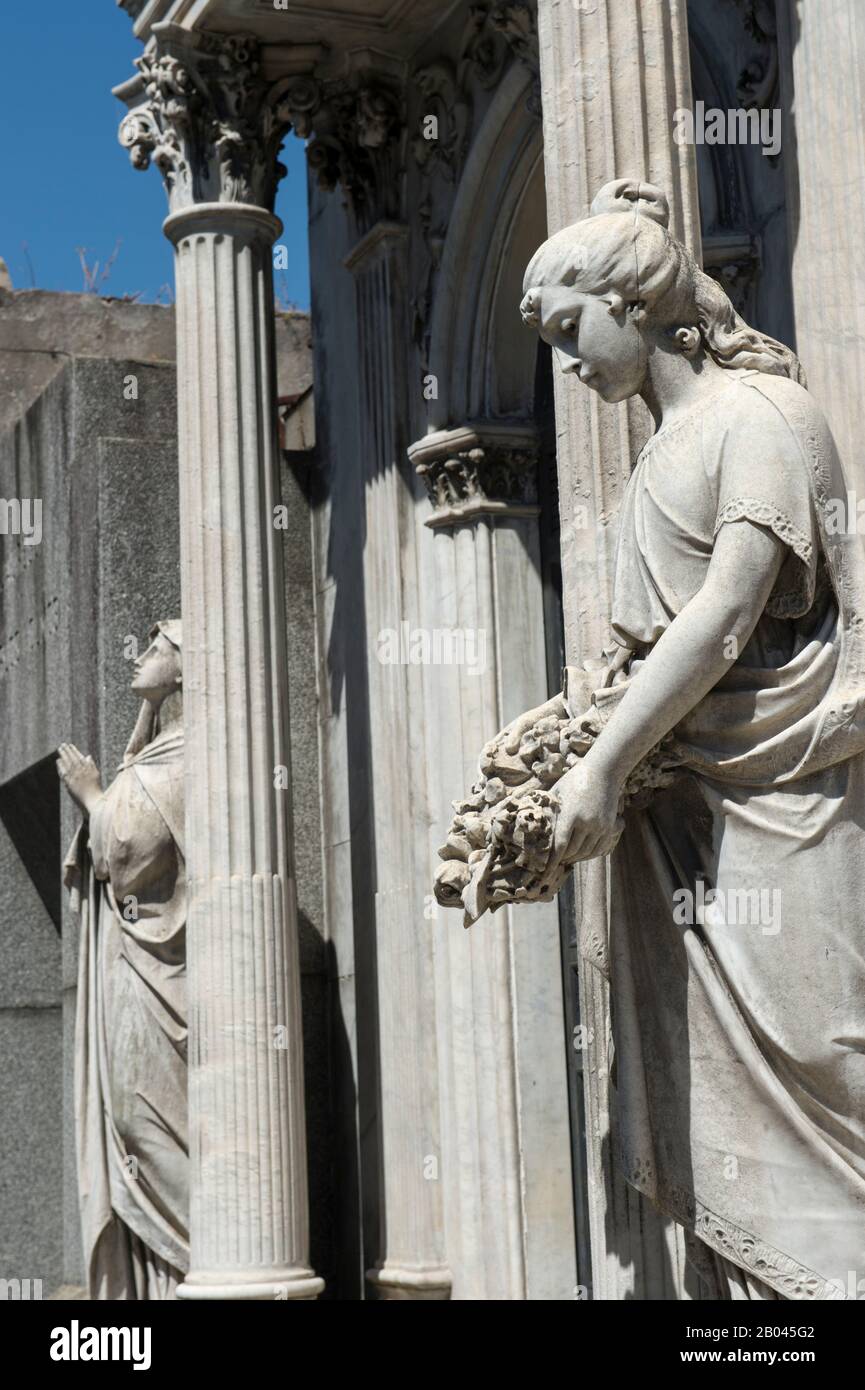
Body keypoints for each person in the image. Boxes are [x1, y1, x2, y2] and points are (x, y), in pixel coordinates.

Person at [514, 178, 865, 1299]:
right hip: (680, 817)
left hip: (779, 787)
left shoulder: (759, 416)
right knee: (696, 1087)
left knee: (822, 1053)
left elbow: (724, 614)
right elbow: (652, 645)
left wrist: (602, 762)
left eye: (572, 329)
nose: (568, 364)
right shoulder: (657, 458)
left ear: (633, 298)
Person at [58, 620, 188, 1299]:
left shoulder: (186, 755)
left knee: (146, 1122)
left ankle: (201, 1265)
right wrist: (145, 711)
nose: (139, 656)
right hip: (135, 970)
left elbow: (127, 856)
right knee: (132, 1124)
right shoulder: (160, 748)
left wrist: (89, 796)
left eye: (157, 647)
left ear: (187, 667)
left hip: (161, 978)